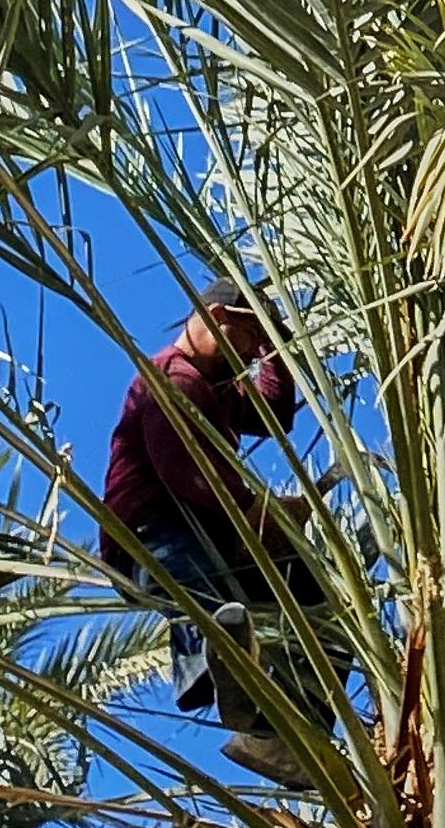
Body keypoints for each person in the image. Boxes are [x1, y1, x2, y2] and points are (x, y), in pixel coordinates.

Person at [102, 278, 324, 746]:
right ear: (218, 321)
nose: (250, 353)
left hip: (208, 529)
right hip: (150, 534)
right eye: (248, 339)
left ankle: (290, 733)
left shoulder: (214, 386)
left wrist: (275, 351)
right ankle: (208, 666)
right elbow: (184, 470)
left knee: (313, 596)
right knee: (206, 596)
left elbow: (273, 416)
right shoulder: (172, 377)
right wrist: (257, 511)